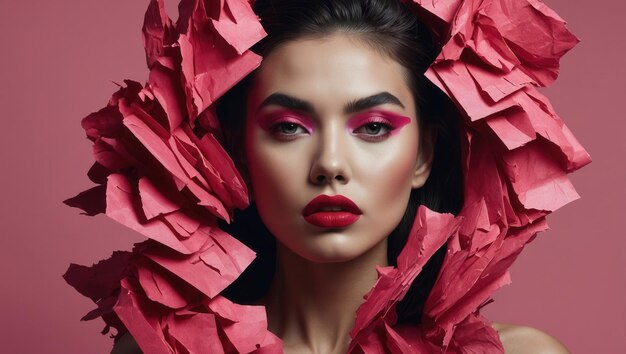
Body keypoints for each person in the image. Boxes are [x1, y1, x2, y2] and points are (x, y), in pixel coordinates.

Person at [65, 0, 588, 353]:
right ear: (240, 155)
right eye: (290, 126)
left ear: (424, 156)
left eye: (375, 127)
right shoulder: (164, 344)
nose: (330, 163)